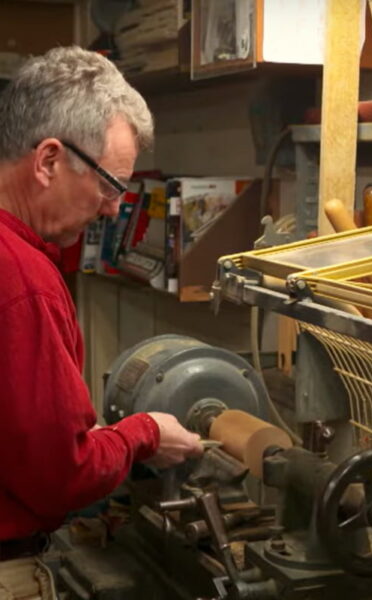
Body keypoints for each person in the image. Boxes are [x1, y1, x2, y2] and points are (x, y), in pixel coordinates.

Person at [0, 46, 203, 591]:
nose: (114, 208)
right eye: (110, 186)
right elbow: (62, 479)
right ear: (47, 161)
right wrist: (143, 433)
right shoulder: (20, 281)